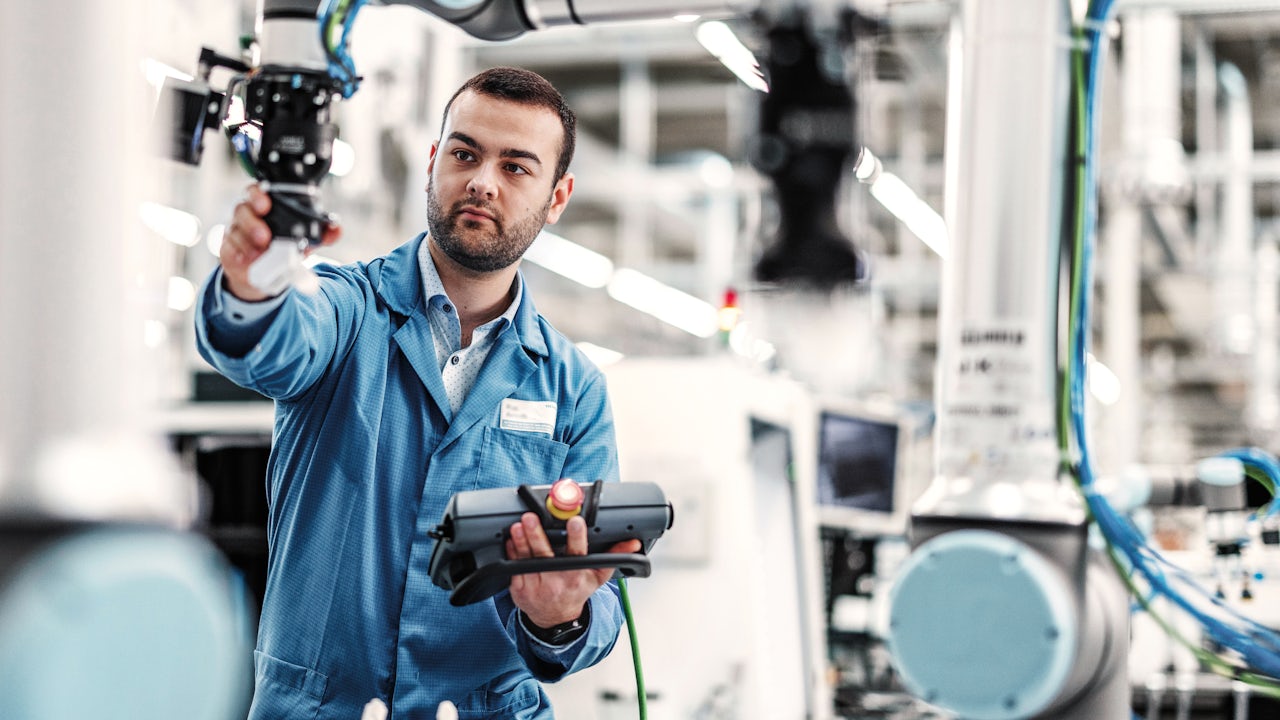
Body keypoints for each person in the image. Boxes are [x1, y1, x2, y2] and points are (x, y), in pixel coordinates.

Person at [196, 66, 640, 720]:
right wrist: (252, 286)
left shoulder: (573, 390)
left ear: (558, 196)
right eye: (465, 154)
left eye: (516, 167)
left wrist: (561, 614)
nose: (482, 180)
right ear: (434, 161)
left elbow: (598, 599)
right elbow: (275, 339)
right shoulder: (346, 310)